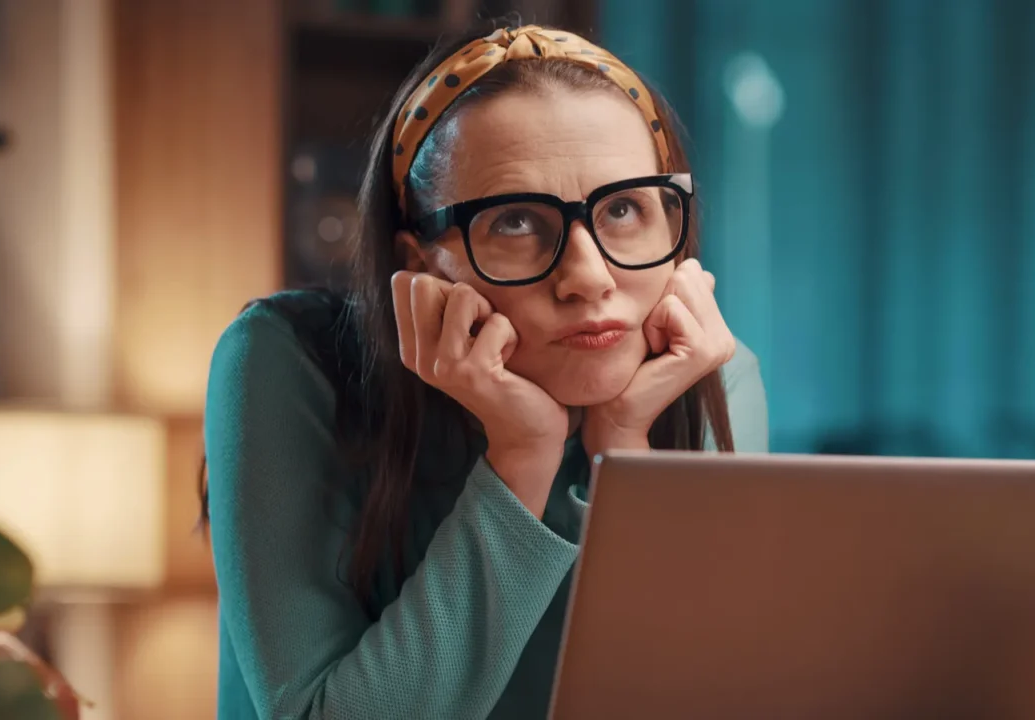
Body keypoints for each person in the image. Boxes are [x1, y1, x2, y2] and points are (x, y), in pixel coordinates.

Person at [202, 22, 769, 720]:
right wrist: (521, 459)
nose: (589, 278)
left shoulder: (712, 378)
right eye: (515, 222)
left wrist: (623, 457)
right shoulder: (290, 361)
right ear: (420, 265)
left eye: (624, 208)